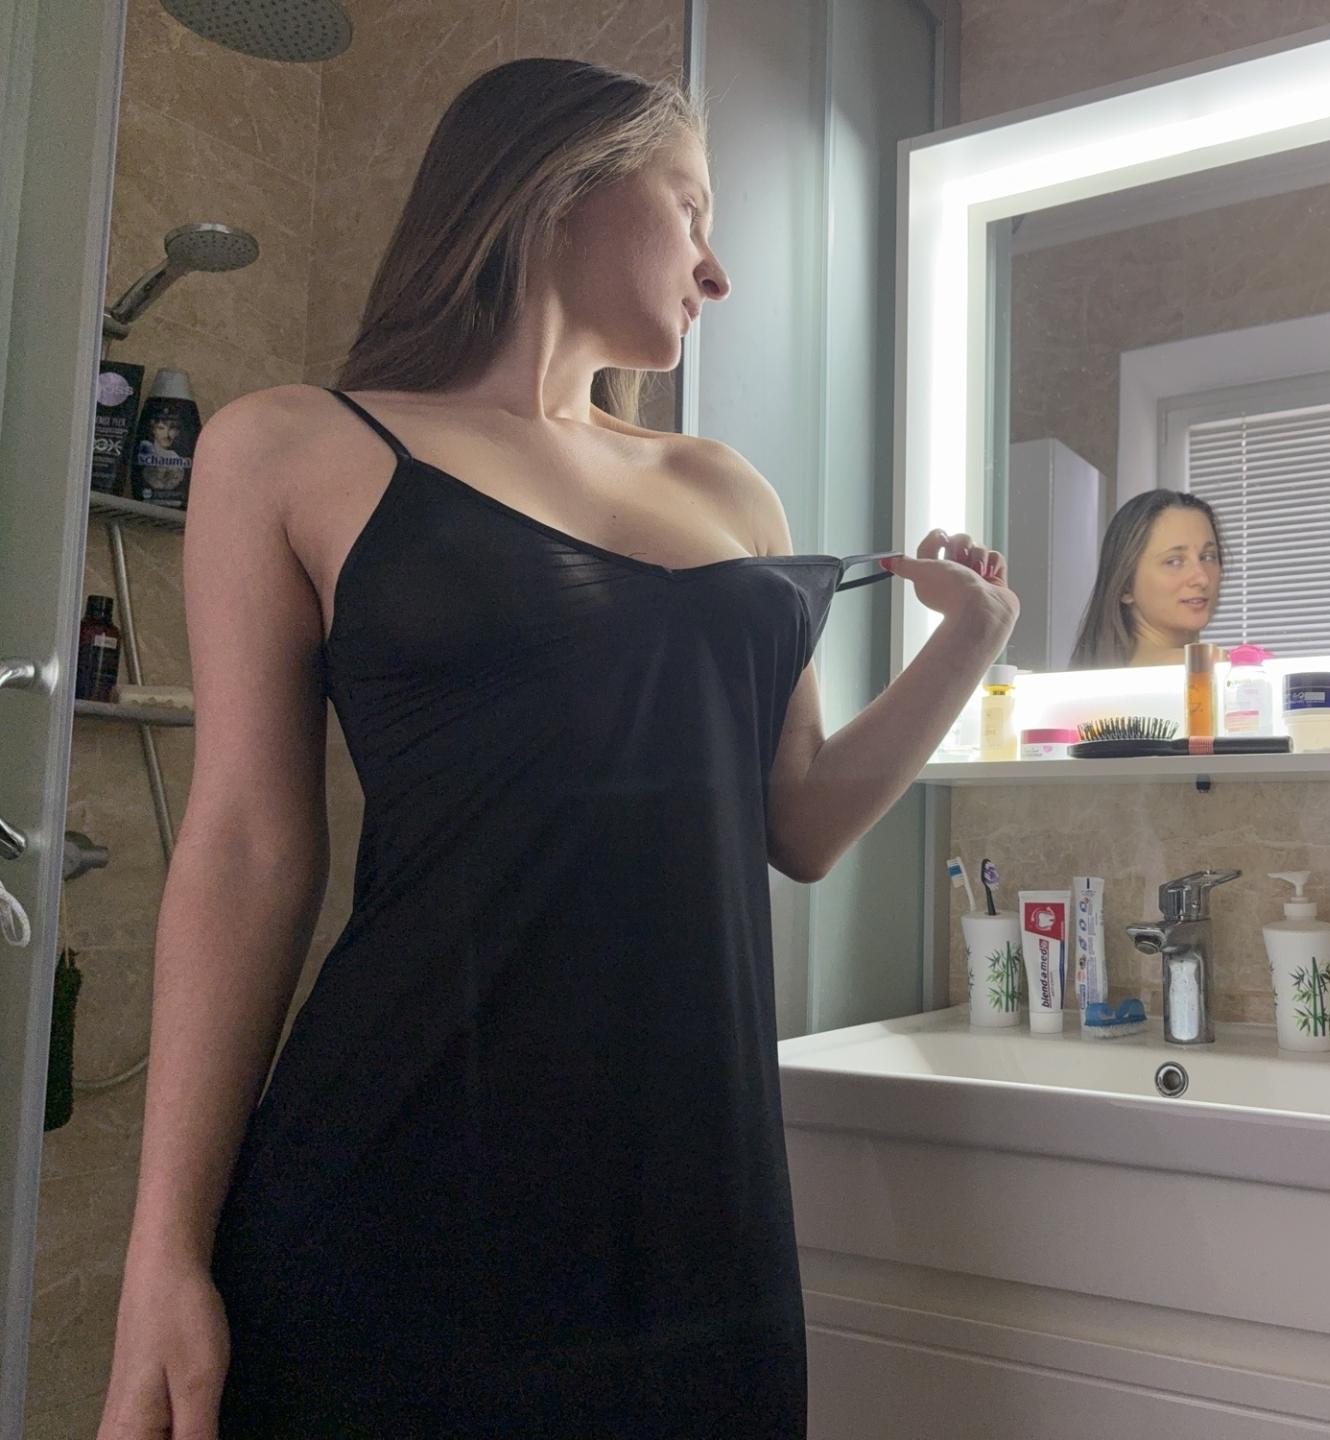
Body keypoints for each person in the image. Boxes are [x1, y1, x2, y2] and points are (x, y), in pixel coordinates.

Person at [95, 59, 1014, 1440]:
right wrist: (162, 1256)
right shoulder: (287, 448)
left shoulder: (724, 488)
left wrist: (967, 644)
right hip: (395, 1160)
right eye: (692, 210)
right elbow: (246, 850)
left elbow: (803, 822)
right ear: (560, 187)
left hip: (691, 1192)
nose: (716, 272)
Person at [1068, 489, 1223, 667]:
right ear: (1125, 586)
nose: (1202, 578)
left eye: (1208, 557)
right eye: (1173, 562)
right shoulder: (1197, 668)